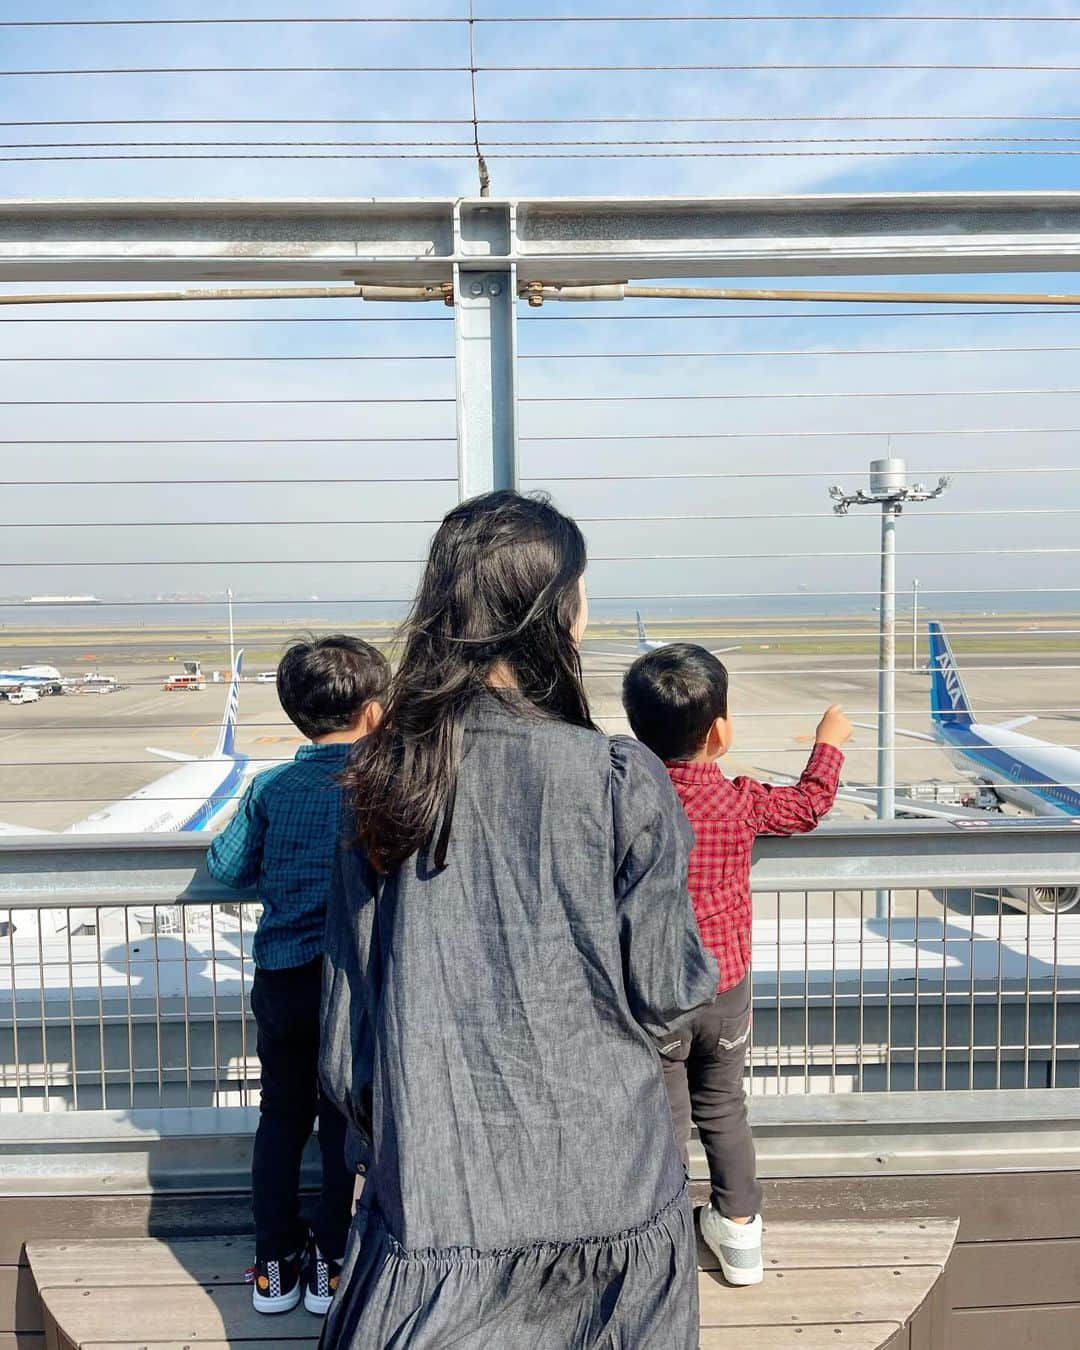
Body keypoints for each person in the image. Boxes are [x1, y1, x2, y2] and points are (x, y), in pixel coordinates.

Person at [319, 491, 718, 1350]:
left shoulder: (384, 776)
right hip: (604, 1180)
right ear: (547, 613)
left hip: (437, 1186)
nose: (587, 614)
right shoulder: (614, 776)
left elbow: (349, 1018)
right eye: (578, 592)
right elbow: (668, 993)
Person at [622, 644, 851, 1286]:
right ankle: (741, 1234)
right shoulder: (740, 802)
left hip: (653, 991)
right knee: (723, 1108)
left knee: (661, 1119)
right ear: (720, 733)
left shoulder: (626, 804)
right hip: (725, 988)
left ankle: (658, 1240)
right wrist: (828, 743)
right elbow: (808, 804)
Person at [207, 635, 389, 1317]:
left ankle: (274, 1264)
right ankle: (333, 1261)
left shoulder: (270, 788)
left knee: (281, 1116)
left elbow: (226, 867)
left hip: (284, 976)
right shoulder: (378, 788)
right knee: (348, 1119)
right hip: (357, 982)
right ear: (374, 712)